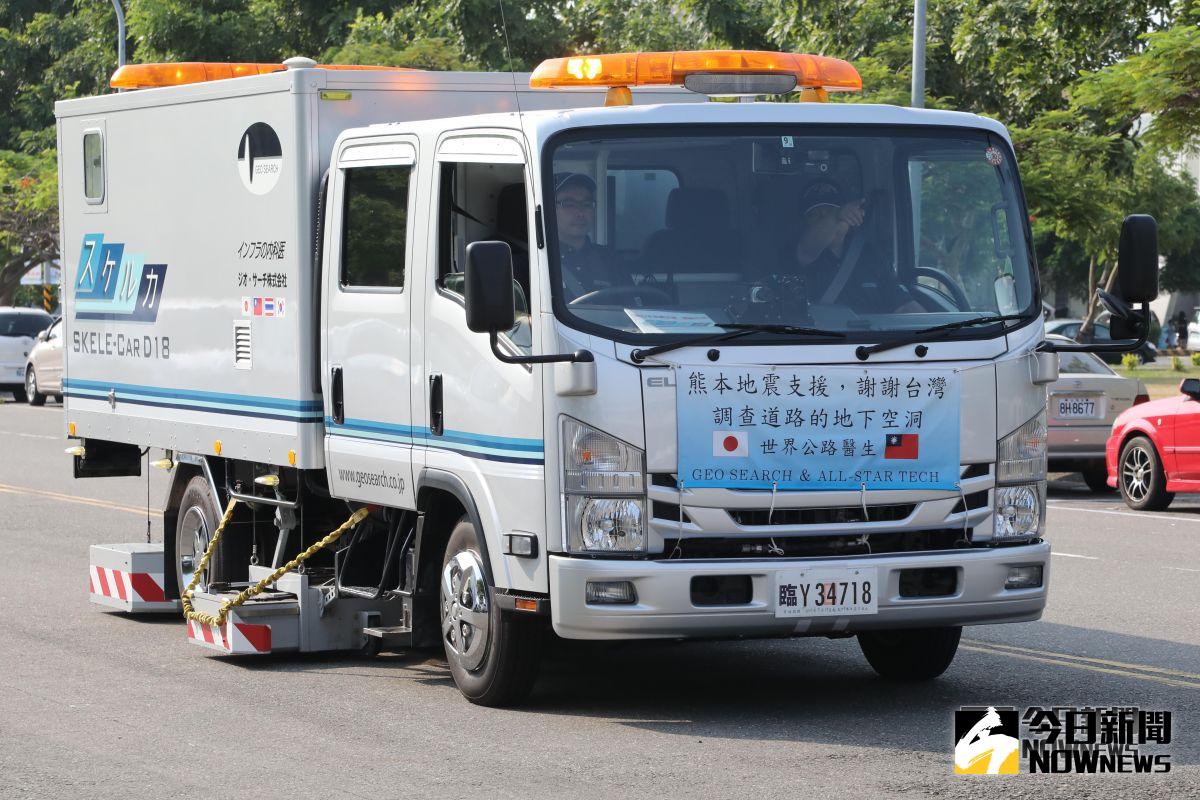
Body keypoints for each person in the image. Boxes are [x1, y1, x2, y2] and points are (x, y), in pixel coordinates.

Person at [785, 180, 920, 313]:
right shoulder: (798, 255)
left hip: (875, 334)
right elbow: (808, 247)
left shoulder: (872, 255)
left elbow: (903, 305)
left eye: (830, 211)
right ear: (805, 224)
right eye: (815, 215)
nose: (826, 219)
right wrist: (836, 214)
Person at [553, 173, 628, 301]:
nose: (580, 213)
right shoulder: (540, 260)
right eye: (569, 204)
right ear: (550, 208)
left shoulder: (610, 258)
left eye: (586, 204)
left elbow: (632, 305)